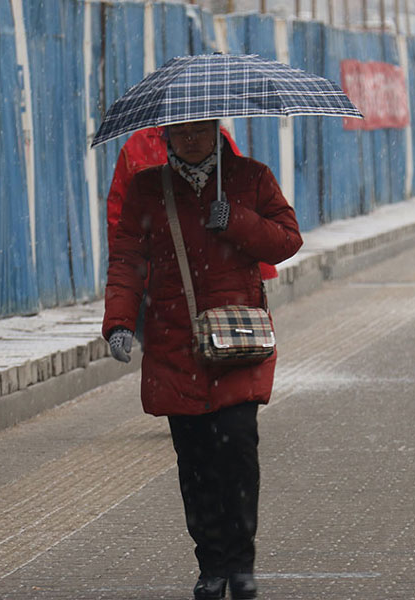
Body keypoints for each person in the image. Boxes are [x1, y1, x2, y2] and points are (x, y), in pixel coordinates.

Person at [102, 119, 303, 599]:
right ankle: (211, 564)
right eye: (181, 133)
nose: (191, 140)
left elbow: (288, 239)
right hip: (175, 340)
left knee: (237, 451)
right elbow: (127, 257)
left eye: (199, 131)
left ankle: (241, 563)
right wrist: (120, 322)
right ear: (167, 137)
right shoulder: (148, 188)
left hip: (236, 339)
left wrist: (235, 219)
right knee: (193, 462)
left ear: (216, 131)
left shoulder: (251, 177)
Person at [106, 125, 279, 280]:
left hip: (213, 271)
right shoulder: (137, 147)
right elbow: (120, 220)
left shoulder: (217, 140)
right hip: (161, 274)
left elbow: (243, 201)